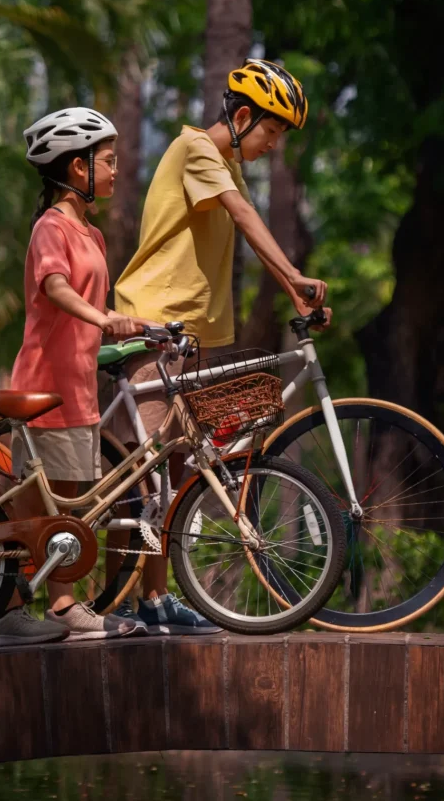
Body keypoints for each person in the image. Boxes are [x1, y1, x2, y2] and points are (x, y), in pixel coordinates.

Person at [112, 58, 329, 634]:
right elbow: (244, 215)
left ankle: (154, 601)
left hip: (187, 334)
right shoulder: (197, 150)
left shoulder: (221, 158)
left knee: (174, 470)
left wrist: (295, 291)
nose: (273, 146)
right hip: (154, 324)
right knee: (151, 473)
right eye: (271, 131)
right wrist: (295, 277)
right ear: (239, 116)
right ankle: (130, 602)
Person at [0, 107, 159, 647]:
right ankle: (40, 609)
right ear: (77, 168)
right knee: (43, 509)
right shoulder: (51, 228)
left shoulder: (94, 235)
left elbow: (89, 316)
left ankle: (53, 604)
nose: (114, 170)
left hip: (79, 390)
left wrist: (139, 331)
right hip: (44, 388)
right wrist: (105, 316)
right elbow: (56, 288)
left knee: (69, 504)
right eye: (107, 161)